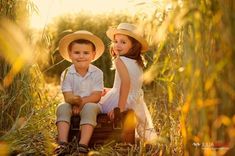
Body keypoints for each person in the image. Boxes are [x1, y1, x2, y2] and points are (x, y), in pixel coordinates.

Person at [98, 23, 157, 142]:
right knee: (142, 126)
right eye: (116, 41)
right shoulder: (137, 62)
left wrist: (120, 107)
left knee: (96, 105)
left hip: (122, 100)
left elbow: (126, 83)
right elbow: (130, 85)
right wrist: (110, 90)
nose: (117, 45)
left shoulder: (119, 60)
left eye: (123, 42)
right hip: (134, 100)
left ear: (133, 45)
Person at [55, 30, 104, 154]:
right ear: (70, 54)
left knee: (90, 108)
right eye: (77, 52)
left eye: (86, 53)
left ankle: (83, 144)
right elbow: (67, 96)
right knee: (62, 107)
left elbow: (97, 96)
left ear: (93, 55)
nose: (81, 56)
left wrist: (81, 103)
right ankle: (62, 143)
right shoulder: (67, 73)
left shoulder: (97, 73)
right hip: (72, 104)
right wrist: (74, 103)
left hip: (90, 103)